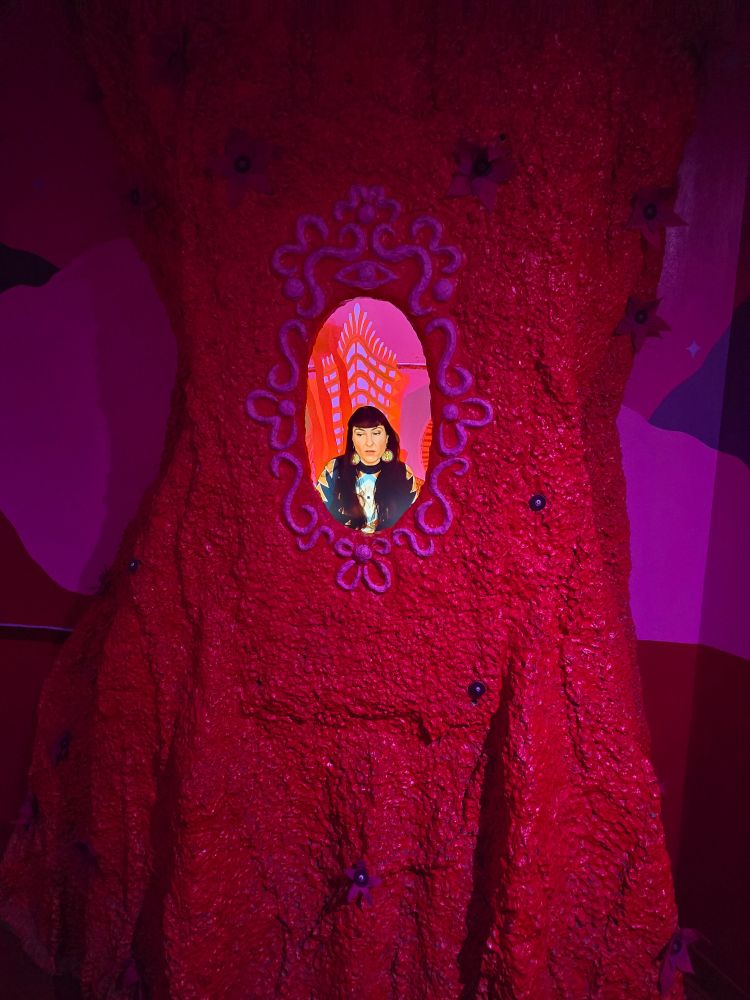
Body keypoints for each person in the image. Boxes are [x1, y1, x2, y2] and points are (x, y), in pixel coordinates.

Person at [316, 405, 422, 533]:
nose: (369, 442)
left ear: (387, 438)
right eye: (360, 434)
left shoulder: (404, 474)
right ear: (352, 439)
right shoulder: (334, 469)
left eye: (376, 433)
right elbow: (319, 518)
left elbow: (412, 525)